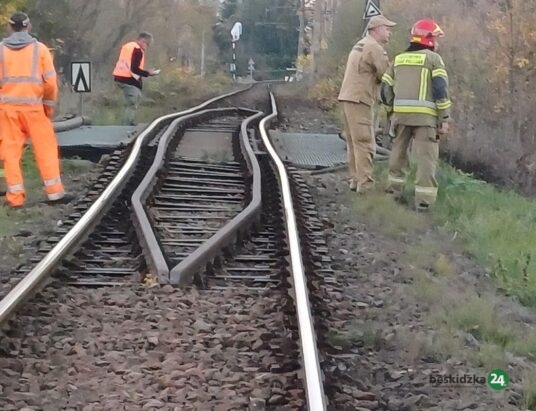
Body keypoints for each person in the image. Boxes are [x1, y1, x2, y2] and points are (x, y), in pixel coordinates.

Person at [0, 11, 72, 208]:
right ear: (28, 26)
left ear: (9, 27)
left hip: (8, 111)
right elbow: (50, 83)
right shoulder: (40, 50)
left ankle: (15, 198)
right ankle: (54, 193)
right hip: (34, 108)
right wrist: (48, 108)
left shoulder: (0, 50)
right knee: (46, 149)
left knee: (10, 153)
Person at [381, 19, 452, 211]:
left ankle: (392, 194)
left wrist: (390, 112)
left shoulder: (398, 59)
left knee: (397, 156)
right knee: (426, 160)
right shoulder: (433, 59)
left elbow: (385, 88)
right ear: (428, 39)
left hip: (400, 118)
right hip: (426, 120)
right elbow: (440, 90)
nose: (438, 42)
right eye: (436, 38)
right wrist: (444, 118)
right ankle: (423, 203)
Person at [337, 14, 396, 193]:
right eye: (387, 29)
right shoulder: (374, 48)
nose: (389, 33)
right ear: (376, 29)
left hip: (349, 97)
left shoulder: (361, 44)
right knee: (365, 142)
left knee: (353, 141)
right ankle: (366, 183)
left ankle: (356, 180)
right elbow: (385, 75)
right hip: (361, 98)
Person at [113, 32, 159, 126]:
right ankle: (126, 124)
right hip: (127, 79)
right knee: (133, 102)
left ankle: (129, 121)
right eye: (147, 44)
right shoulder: (137, 50)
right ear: (143, 41)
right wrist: (148, 73)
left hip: (120, 76)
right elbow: (134, 69)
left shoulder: (129, 46)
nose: (147, 47)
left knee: (136, 97)